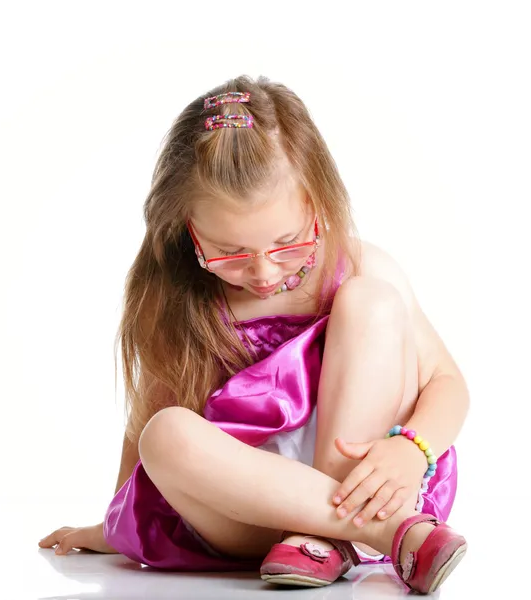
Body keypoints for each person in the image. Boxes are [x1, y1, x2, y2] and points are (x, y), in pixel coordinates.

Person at [38, 75, 469, 594]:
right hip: (252, 509)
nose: (264, 272)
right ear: (187, 230)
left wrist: (411, 450)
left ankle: (332, 536)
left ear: (318, 205)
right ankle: (380, 533)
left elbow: (447, 381)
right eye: (230, 252)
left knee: (372, 299)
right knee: (164, 432)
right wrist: (112, 526)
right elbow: (143, 422)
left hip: (365, 480)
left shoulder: (355, 264)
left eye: (287, 243)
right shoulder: (181, 299)